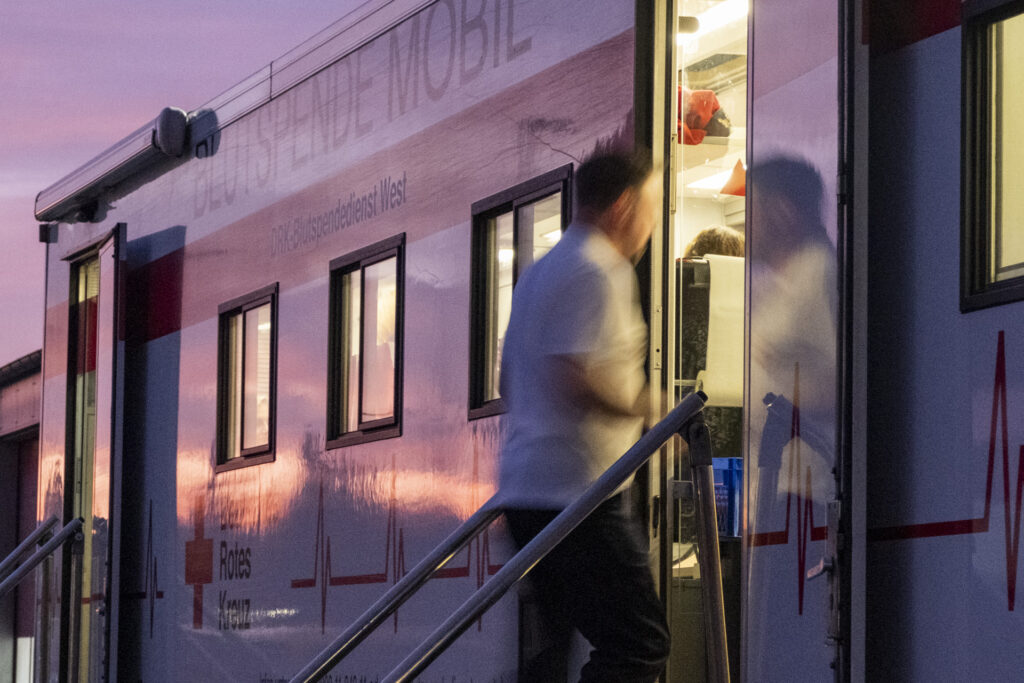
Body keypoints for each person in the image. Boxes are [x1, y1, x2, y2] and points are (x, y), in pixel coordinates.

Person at [498, 150, 670, 682]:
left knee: (549, 657)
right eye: (652, 208)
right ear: (622, 205)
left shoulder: (538, 275)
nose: (653, 224)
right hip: (579, 495)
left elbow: (512, 381)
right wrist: (654, 412)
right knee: (638, 644)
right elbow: (572, 372)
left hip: (526, 491)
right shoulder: (601, 270)